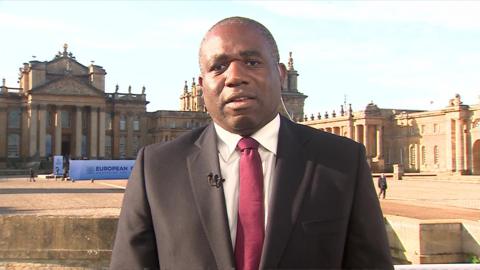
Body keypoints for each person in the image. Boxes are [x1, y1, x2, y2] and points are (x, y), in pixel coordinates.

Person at [110, 16, 393, 270]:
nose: (235, 77)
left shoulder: (341, 161)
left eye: (252, 62)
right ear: (202, 84)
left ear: (281, 75)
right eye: (218, 66)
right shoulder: (157, 168)